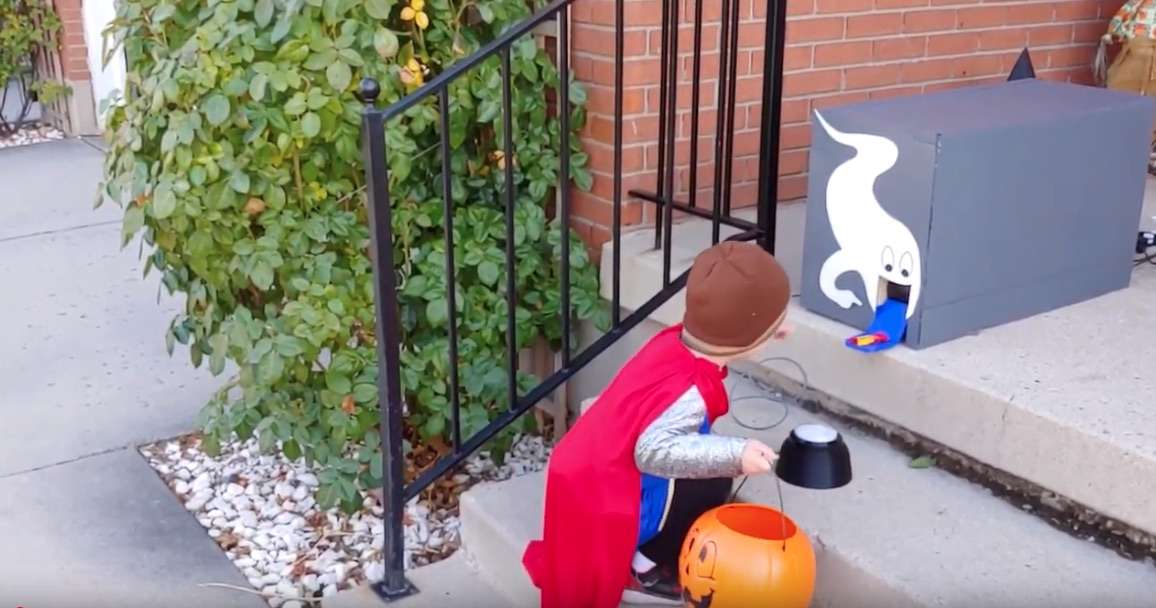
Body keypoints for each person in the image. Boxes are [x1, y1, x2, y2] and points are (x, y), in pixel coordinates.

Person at [522, 241, 793, 608]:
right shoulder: (690, 391)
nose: (782, 326)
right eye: (773, 323)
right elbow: (655, 451)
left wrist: (759, 329)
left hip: (585, 472)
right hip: (611, 500)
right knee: (712, 479)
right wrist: (736, 453)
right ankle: (644, 567)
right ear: (747, 334)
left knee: (707, 457)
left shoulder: (675, 343)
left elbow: (728, 328)